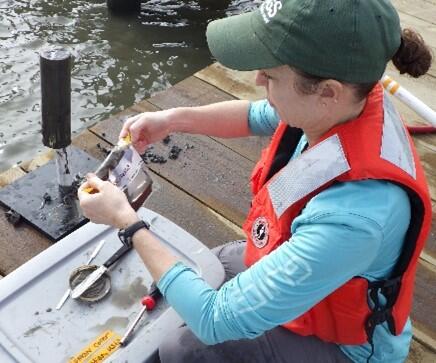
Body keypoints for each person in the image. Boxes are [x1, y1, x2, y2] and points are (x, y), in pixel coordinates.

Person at [78, 0, 434, 362]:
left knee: (183, 351)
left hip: (346, 345)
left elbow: (212, 319)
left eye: (271, 75)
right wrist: (170, 119)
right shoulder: (350, 95)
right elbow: (256, 114)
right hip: (318, 275)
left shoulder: (355, 218)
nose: (257, 79)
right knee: (204, 265)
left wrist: (127, 221)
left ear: (327, 92)